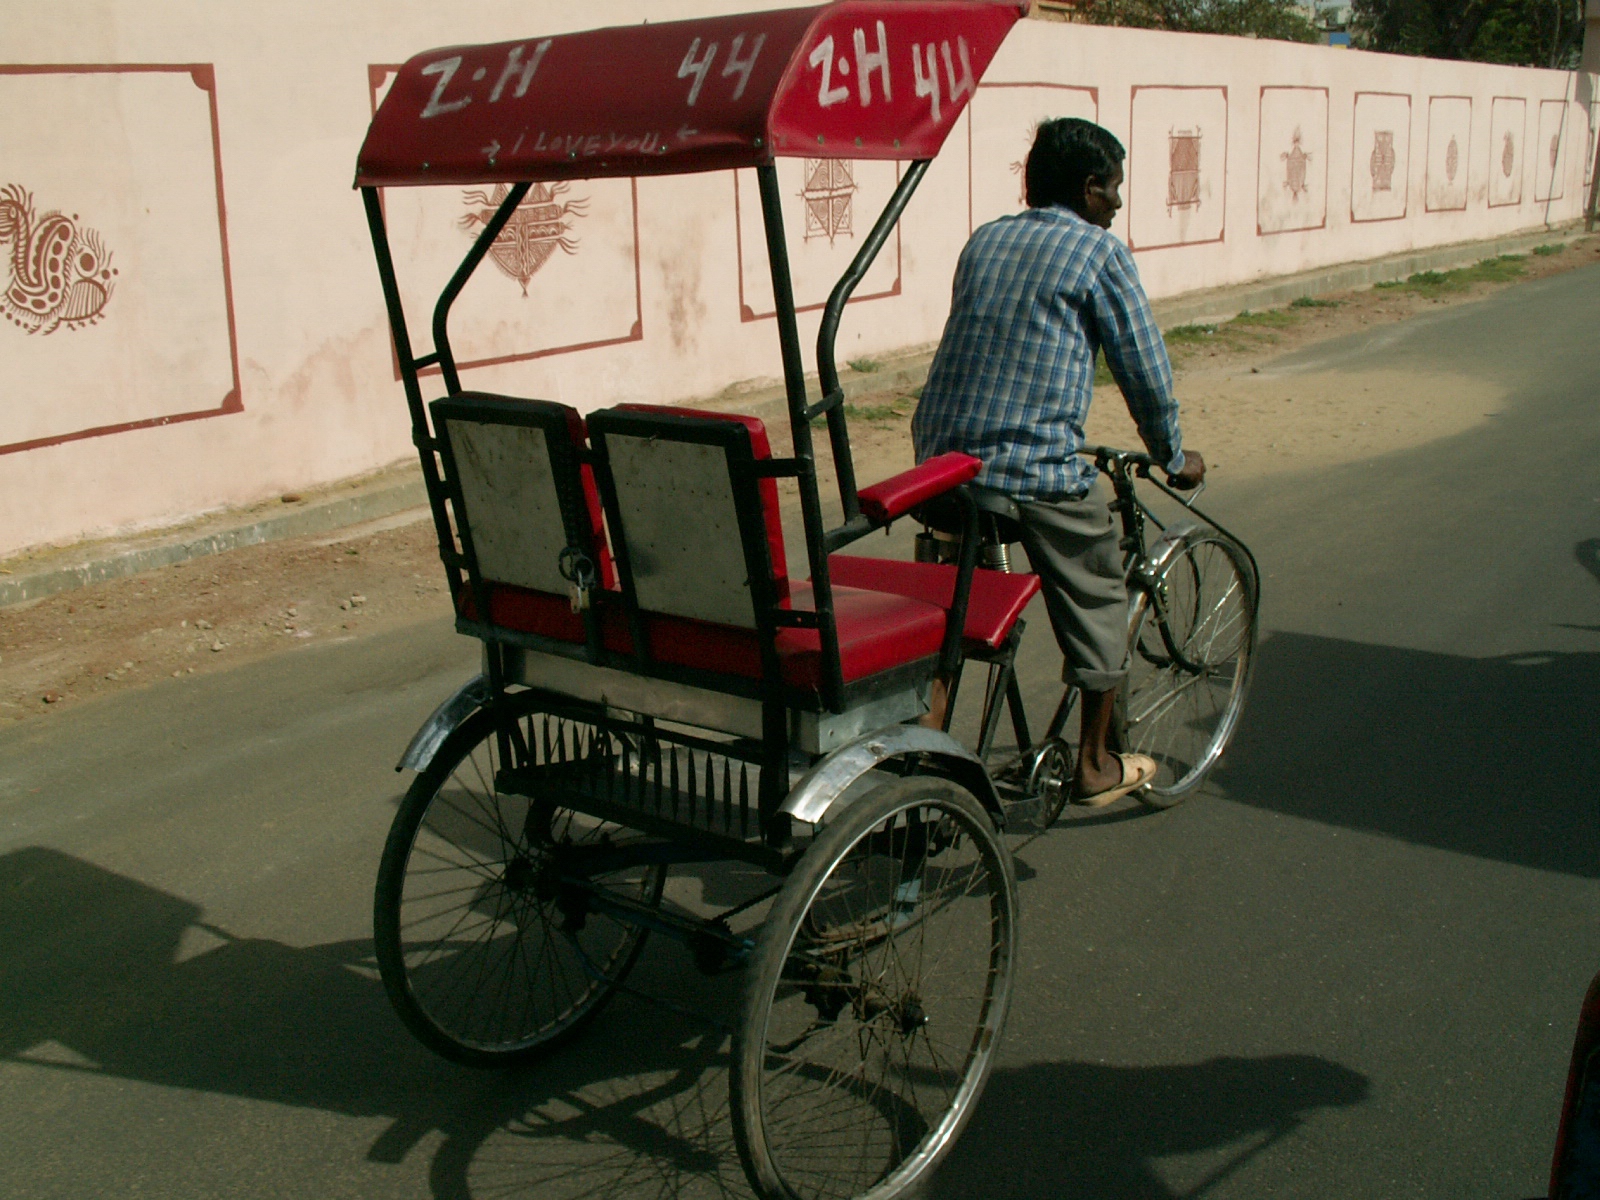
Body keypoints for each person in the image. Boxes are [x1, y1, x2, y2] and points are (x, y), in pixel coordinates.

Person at [912, 117, 1205, 807]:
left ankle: (924, 739)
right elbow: (1144, 369)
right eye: (1113, 190)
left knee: (952, 612)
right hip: (1031, 472)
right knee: (1099, 588)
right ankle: (1096, 764)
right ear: (1088, 188)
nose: (1118, 204)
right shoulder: (1099, 253)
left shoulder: (985, 240)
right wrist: (1171, 453)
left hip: (939, 466)